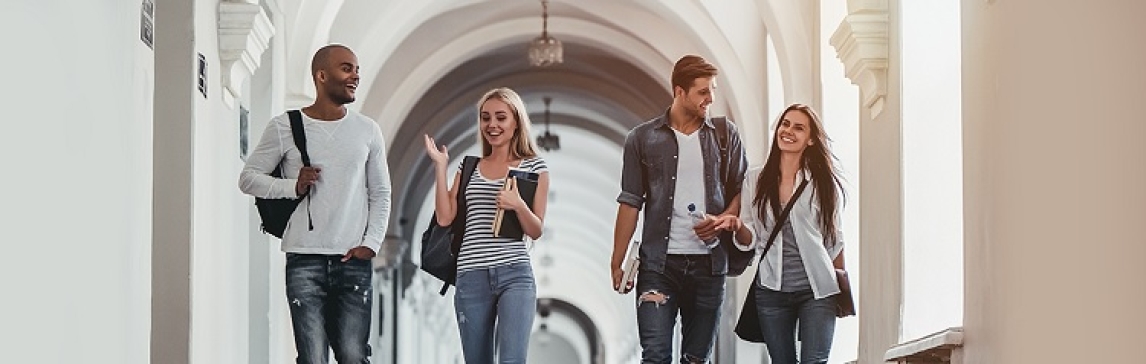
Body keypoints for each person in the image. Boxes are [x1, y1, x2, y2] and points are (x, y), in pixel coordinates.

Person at [239, 44, 392, 364]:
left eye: (357, 69)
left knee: (353, 355)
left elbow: (380, 193)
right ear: (321, 76)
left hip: (353, 259)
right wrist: (292, 186)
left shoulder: (367, 130)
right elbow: (249, 178)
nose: (355, 76)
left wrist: (371, 244)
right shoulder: (286, 126)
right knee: (312, 358)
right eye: (347, 68)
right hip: (304, 258)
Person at [610, 55, 748, 364]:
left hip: (709, 266)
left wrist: (725, 218)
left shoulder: (726, 135)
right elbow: (630, 200)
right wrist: (617, 261)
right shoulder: (642, 139)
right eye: (702, 92)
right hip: (658, 268)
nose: (710, 99)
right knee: (656, 356)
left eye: (712, 90)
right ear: (679, 91)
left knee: (696, 360)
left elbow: (742, 189)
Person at [423, 87, 550, 364]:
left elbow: (536, 230)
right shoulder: (469, 166)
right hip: (471, 276)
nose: (492, 125)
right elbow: (445, 218)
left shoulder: (534, 167)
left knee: (512, 360)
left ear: (516, 121)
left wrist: (518, 204)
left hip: (515, 274)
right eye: (485, 117)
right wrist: (441, 166)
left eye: (501, 117)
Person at [733, 104, 846, 364]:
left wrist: (842, 284)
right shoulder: (755, 179)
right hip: (771, 290)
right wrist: (738, 227)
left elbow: (834, 239)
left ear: (811, 139)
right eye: (785, 124)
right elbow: (749, 237)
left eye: (798, 128)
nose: (788, 131)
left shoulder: (822, 182)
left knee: (814, 361)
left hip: (816, 289)